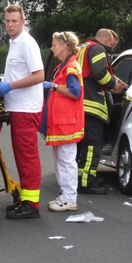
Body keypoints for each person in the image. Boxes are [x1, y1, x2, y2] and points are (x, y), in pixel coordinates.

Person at [0, 5, 45, 219]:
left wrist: (10, 86)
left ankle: (31, 205)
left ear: (23, 22)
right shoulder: (15, 43)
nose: (9, 25)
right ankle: (25, 199)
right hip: (18, 107)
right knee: (22, 156)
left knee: (27, 157)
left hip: (26, 108)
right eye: (7, 21)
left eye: (14, 21)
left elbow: (39, 76)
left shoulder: (26, 43)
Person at [76, 28, 126, 194]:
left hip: (81, 105)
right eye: (112, 45)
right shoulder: (97, 49)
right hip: (92, 106)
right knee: (92, 146)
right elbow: (99, 72)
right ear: (105, 41)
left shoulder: (83, 47)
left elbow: (93, 74)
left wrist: (115, 81)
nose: (111, 48)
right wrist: (113, 85)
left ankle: (82, 177)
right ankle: (86, 183)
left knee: (82, 147)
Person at [40, 31, 85, 212]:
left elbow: (75, 93)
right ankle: (65, 195)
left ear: (64, 46)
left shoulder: (71, 67)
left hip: (67, 123)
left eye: (55, 44)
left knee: (66, 161)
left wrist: (54, 86)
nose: (52, 48)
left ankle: (69, 198)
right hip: (62, 122)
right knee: (61, 160)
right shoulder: (64, 66)